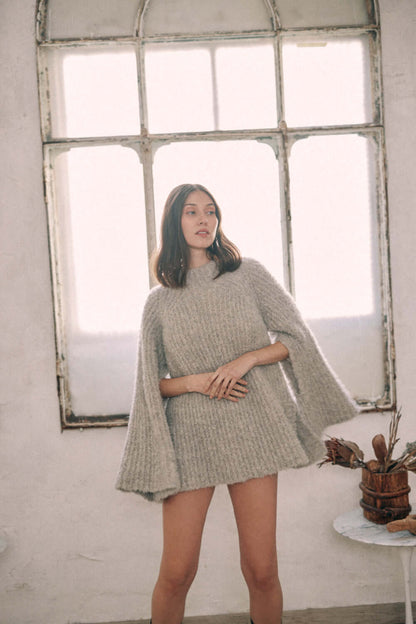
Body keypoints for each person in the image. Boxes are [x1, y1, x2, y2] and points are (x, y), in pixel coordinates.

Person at [116, 183, 358, 624]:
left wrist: (247, 359)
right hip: (191, 440)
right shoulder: (160, 302)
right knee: (176, 573)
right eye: (191, 212)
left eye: (210, 211)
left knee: (262, 570)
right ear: (175, 223)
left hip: (254, 431)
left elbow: (294, 338)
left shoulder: (249, 275)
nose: (203, 220)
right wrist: (196, 381)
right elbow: (152, 386)